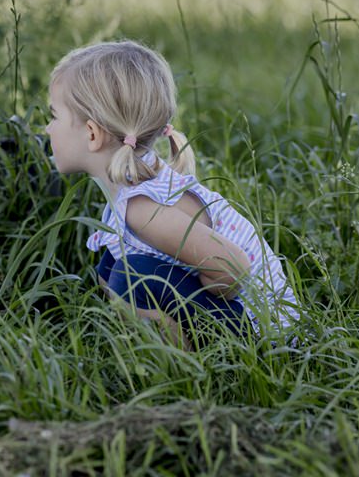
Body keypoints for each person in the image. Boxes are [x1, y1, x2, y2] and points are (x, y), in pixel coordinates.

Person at [45, 41, 298, 345]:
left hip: (266, 335)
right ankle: (149, 346)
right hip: (242, 316)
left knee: (133, 275)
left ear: (92, 134)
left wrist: (194, 297)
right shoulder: (138, 181)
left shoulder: (144, 210)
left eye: (54, 116)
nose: (47, 129)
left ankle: (191, 366)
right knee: (111, 265)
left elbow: (234, 267)